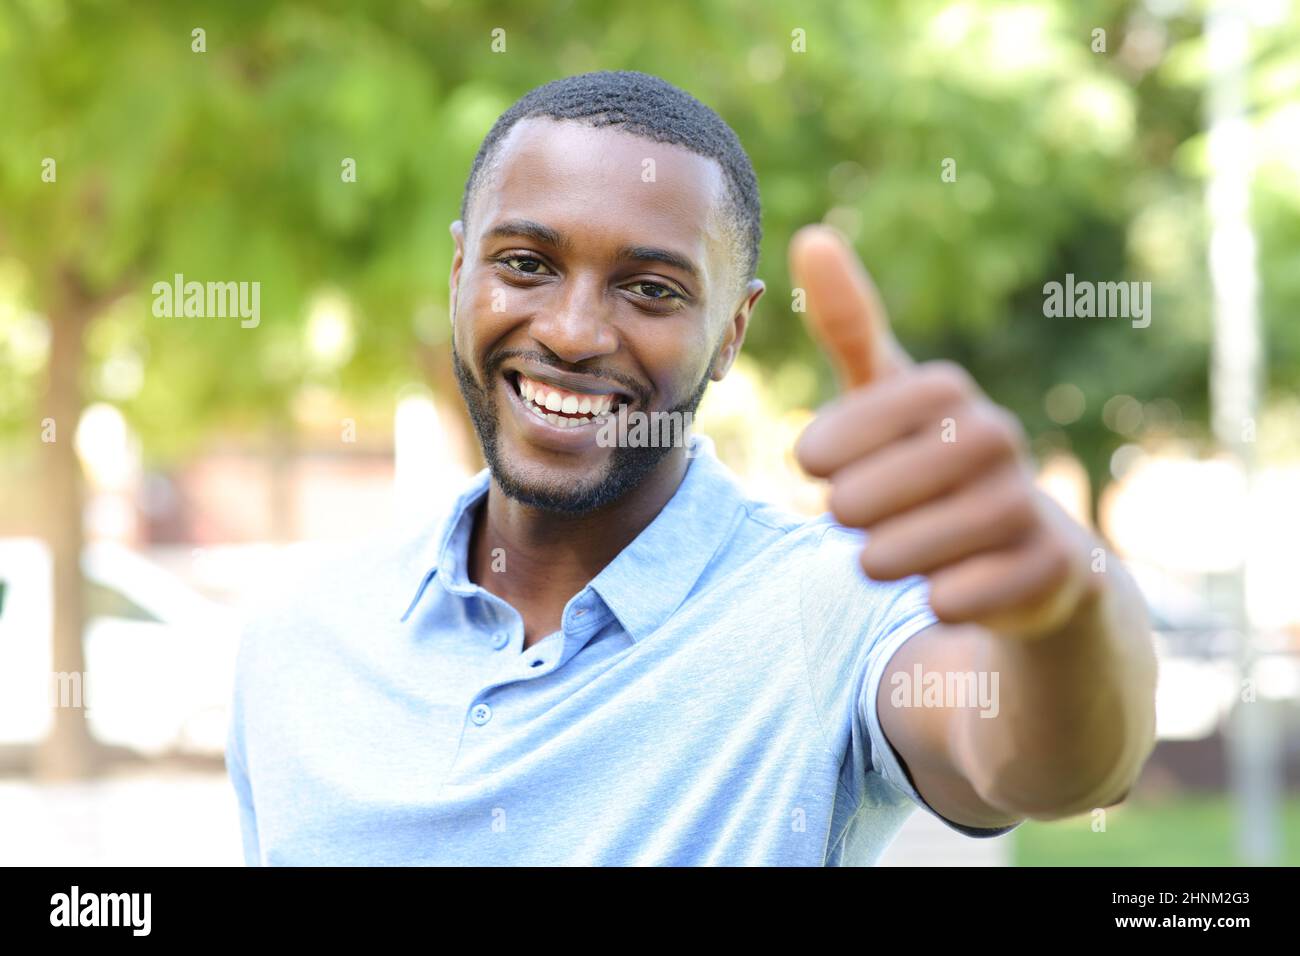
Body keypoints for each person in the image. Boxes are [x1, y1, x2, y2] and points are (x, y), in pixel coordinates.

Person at [226, 70, 1157, 866]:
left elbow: (1047, 763)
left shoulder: (830, 611)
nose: (573, 333)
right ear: (460, 271)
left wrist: (1067, 619)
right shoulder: (297, 641)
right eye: (524, 263)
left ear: (732, 333)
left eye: (650, 290)